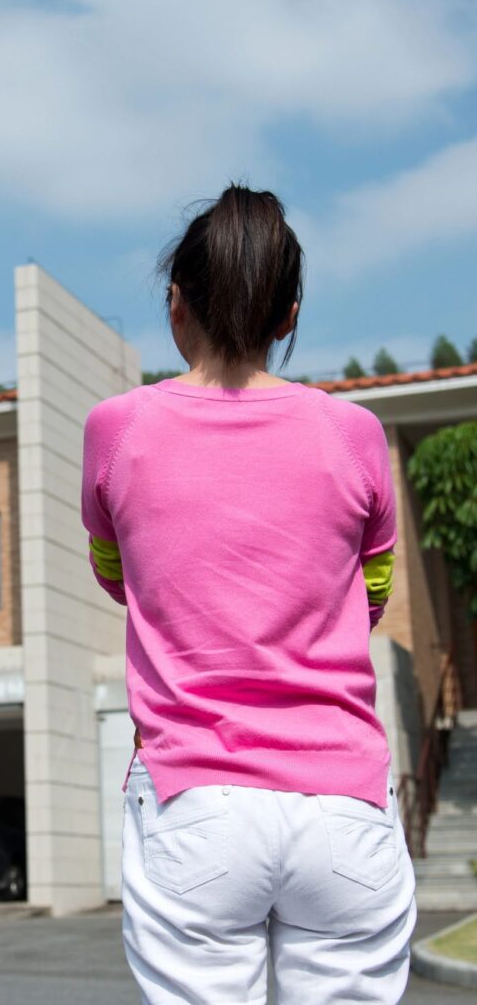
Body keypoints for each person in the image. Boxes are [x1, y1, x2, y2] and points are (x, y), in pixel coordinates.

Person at [80, 184, 416, 1005]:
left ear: (175, 304)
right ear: (289, 314)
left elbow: (114, 571)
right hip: (343, 804)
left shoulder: (116, 427)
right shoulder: (354, 433)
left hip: (196, 802)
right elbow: (372, 587)